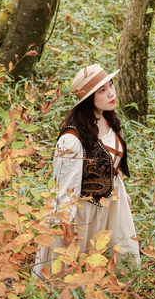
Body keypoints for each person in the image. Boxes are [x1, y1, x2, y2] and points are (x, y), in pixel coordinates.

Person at [34, 63, 140, 279]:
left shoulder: (110, 119)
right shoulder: (71, 140)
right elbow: (64, 192)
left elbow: (113, 161)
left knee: (117, 266)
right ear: (89, 98)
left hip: (113, 203)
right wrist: (67, 235)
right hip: (84, 213)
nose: (111, 93)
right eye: (102, 90)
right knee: (78, 273)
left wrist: (124, 192)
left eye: (111, 85)